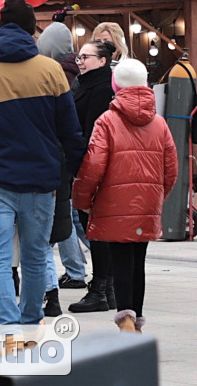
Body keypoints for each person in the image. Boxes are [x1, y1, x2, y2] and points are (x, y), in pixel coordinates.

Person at [0, 0, 87, 342]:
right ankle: (31, 322)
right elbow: (69, 130)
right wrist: (73, 167)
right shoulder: (51, 71)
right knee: (34, 254)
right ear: (32, 31)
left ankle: (8, 327)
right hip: (41, 179)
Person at [72, 59, 178, 332]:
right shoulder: (159, 122)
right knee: (138, 261)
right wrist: (157, 196)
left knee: (120, 260)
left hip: (113, 201)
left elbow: (93, 164)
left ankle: (126, 320)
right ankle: (137, 319)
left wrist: (82, 200)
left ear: (115, 84)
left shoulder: (107, 121)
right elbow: (171, 168)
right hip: (147, 200)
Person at [35, 23, 85, 317]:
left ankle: (66, 279)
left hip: (53, 161)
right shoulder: (78, 70)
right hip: (69, 159)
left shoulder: (54, 75)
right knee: (69, 218)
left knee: (50, 228)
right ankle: (81, 270)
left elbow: (61, 122)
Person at [68, 39, 118, 314]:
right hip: (89, 164)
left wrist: (81, 165)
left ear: (102, 61)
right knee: (94, 227)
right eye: (79, 57)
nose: (80, 61)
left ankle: (100, 288)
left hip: (94, 166)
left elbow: (93, 134)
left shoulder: (100, 88)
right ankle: (106, 288)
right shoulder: (84, 83)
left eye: (86, 57)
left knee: (96, 228)